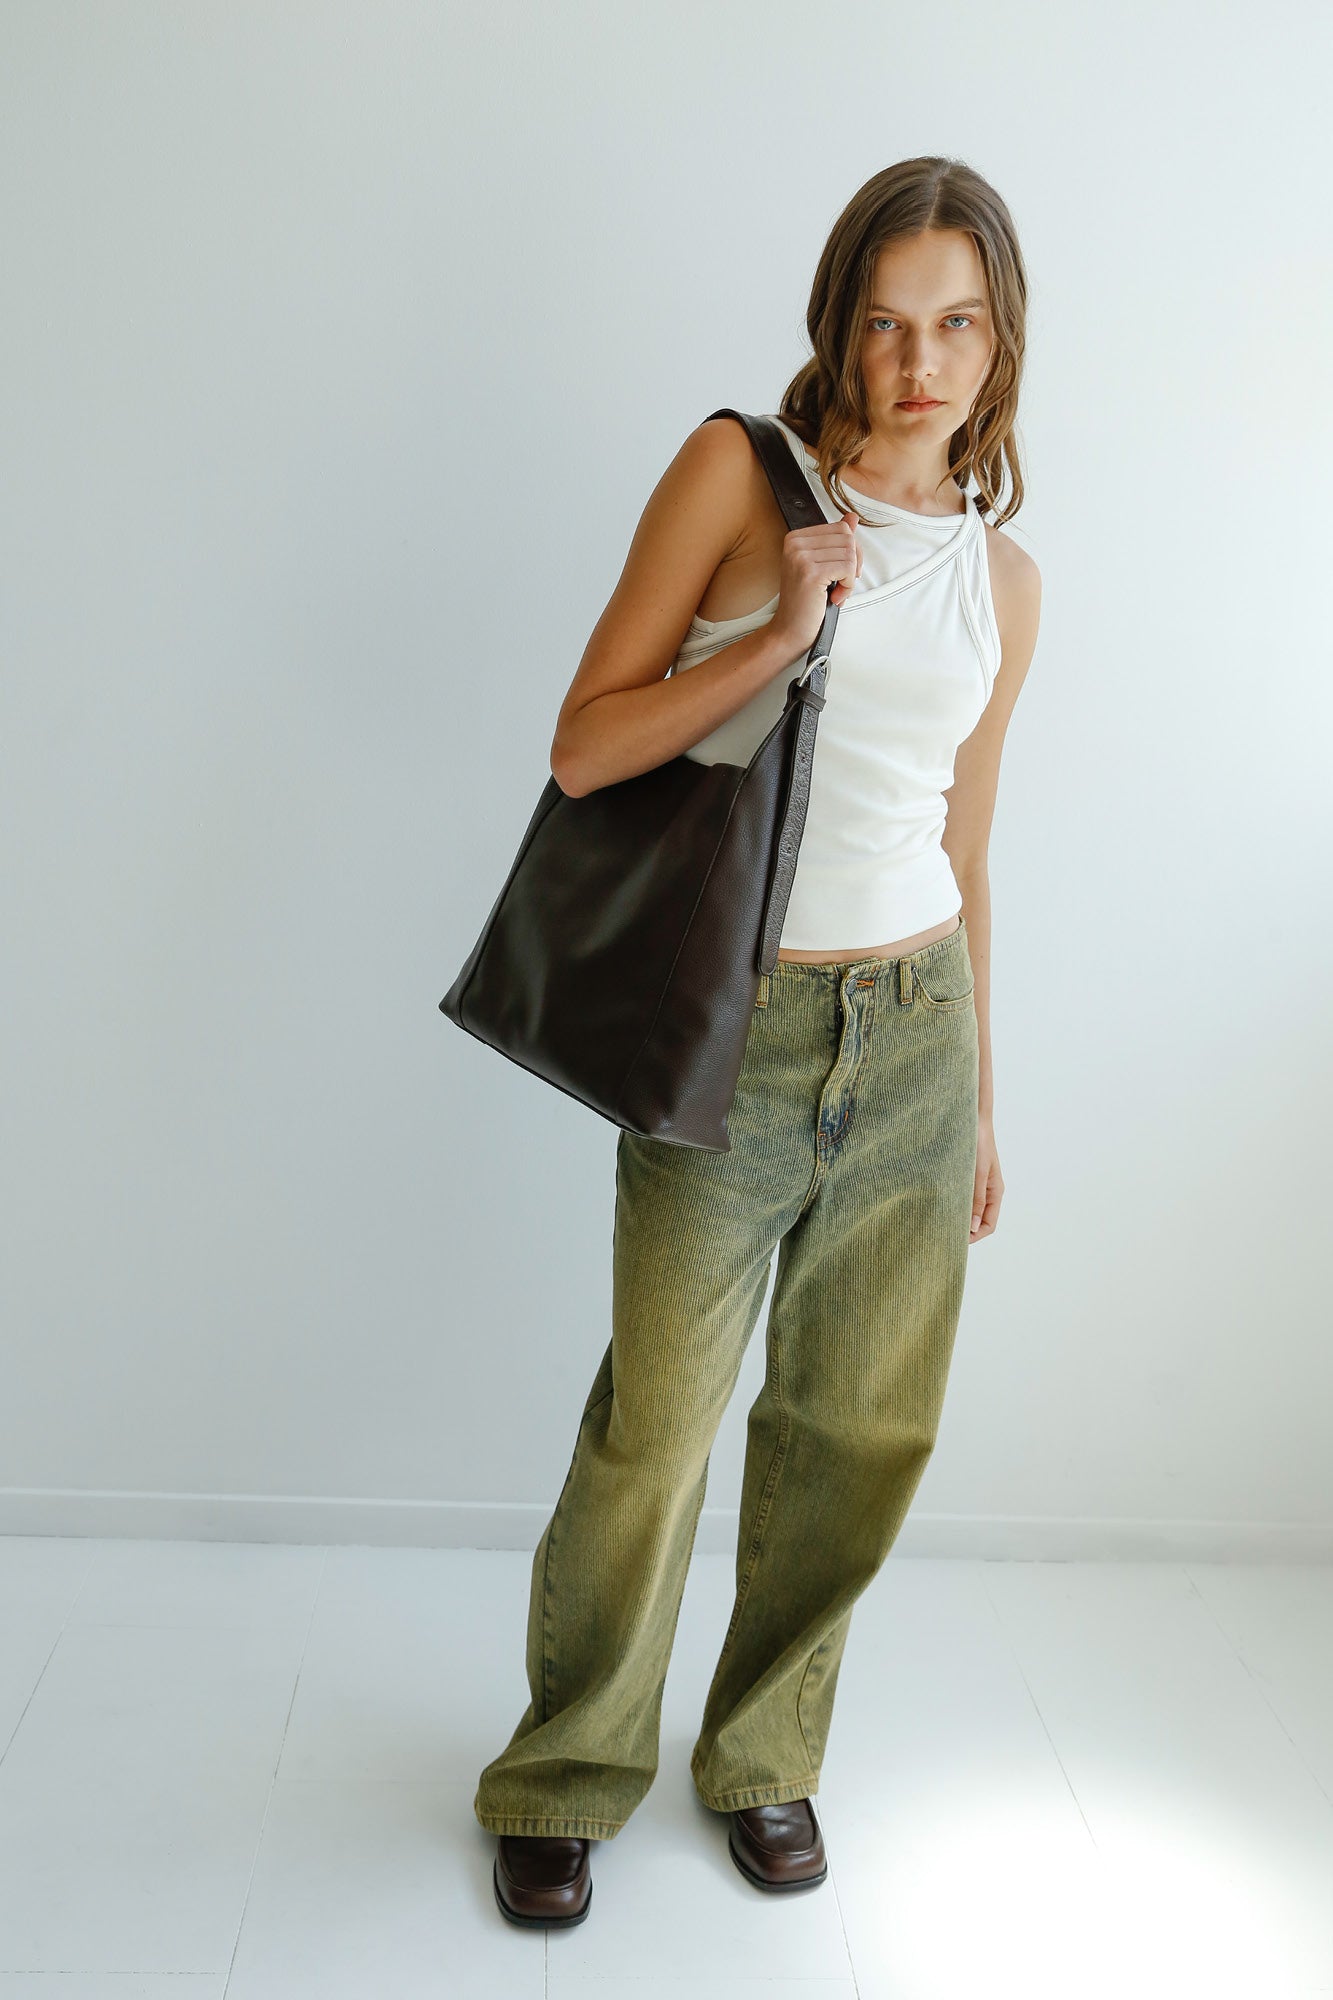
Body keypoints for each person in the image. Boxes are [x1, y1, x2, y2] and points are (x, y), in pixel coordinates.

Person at [476, 154, 1042, 1929]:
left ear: (999, 344)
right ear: (837, 325)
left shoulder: (1005, 580)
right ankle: (565, 1770)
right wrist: (784, 630)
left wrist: (979, 1104)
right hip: (743, 1025)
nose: (917, 363)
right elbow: (585, 743)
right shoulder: (739, 474)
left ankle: (765, 1757)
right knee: (656, 1424)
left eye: (956, 325)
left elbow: (964, 849)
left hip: (918, 1027)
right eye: (885, 322)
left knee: (856, 1428)